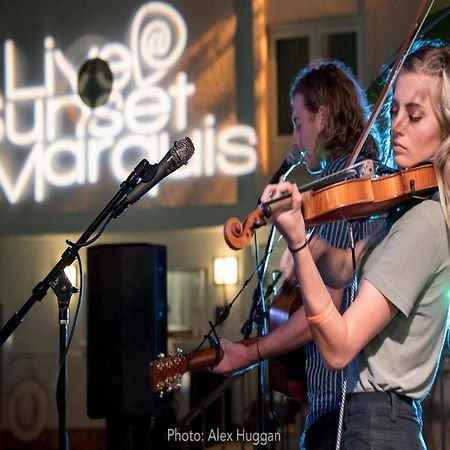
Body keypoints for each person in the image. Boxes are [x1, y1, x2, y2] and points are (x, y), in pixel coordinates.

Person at [258, 43, 450, 449]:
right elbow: (344, 266)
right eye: (394, 110)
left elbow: (339, 346)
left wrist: (295, 243)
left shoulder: (424, 224)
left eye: (415, 115)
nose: (396, 125)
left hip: (379, 424)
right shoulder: (406, 214)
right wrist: (308, 240)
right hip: (373, 421)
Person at [214, 59, 386, 449]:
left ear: (322, 116)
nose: (294, 139)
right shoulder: (340, 183)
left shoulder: (346, 187)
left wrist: (250, 352)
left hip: (343, 405)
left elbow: (323, 311)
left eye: (297, 122)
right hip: (338, 404)